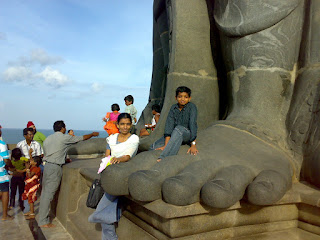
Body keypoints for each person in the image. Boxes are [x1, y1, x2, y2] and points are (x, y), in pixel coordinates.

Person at [38, 120, 99, 228]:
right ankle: (43, 221)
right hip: (55, 167)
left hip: (47, 166)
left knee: (45, 192)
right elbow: (82, 138)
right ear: (62, 128)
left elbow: (54, 152)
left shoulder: (48, 139)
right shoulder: (63, 137)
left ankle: (42, 217)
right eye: (64, 127)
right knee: (49, 194)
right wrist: (93, 134)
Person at [89, 113, 139, 240]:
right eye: (122, 124)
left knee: (104, 211)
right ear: (117, 125)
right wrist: (109, 162)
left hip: (122, 174)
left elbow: (128, 156)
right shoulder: (111, 139)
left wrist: (117, 159)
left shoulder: (134, 139)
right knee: (108, 213)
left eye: (128, 124)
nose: (125, 127)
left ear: (131, 125)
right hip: (109, 174)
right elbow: (107, 156)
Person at [150, 86, 199, 162]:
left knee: (179, 128)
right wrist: (166, 145)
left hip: (187, 134)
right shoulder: (173, 108)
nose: (182, 99)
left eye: (185, 97)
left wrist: (193, 145)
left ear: (189, 98)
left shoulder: (192, 107)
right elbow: (169, 126)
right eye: (180, 97)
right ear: (176, 98)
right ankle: (167, 148)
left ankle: (164, 158)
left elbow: (193, 125)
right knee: (153, 146)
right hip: (175, 134)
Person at [22, 155, 42, 220]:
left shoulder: (36, 169)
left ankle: (32, 214)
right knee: (29, 198)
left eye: (32, 160)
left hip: (33, 186)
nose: (30, 161)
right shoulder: (32, 167)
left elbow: (30, 175)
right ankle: (31, 211)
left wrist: (27, 168)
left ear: (35, 163)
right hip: (29, 185)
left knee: (31, 199)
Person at [0, 131, 13, 220]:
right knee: (5, 192)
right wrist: (11, 166)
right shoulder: (2, 144)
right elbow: (6, 160)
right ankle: (4, 215)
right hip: (1, 174)